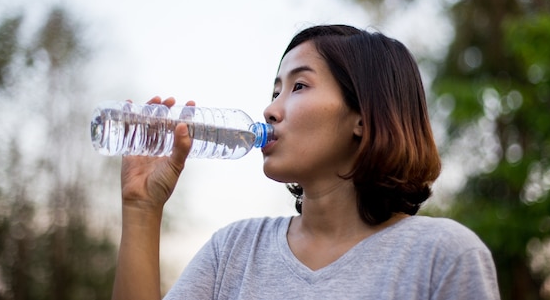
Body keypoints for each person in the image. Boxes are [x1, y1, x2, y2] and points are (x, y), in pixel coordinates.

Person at [111, 24, 500, 300]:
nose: (269, 109)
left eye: (298, 86)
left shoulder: (443, 256)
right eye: (275, 90)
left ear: (364, 118)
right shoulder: (233, 252)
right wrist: (142, 208)